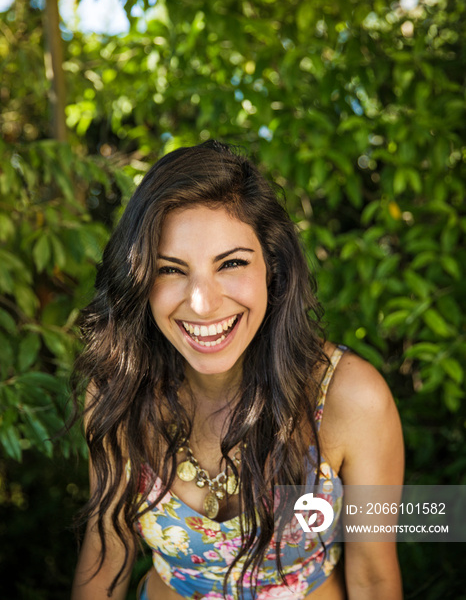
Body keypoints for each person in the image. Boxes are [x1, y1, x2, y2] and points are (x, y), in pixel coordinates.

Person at [71, 141, 404, 600]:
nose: (203, 304)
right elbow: (107, 548)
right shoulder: (118, 391)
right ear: (140, 279)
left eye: (231, 263)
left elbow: (372, 579)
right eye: (171, 270)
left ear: (273, 267)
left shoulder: (352, 399)